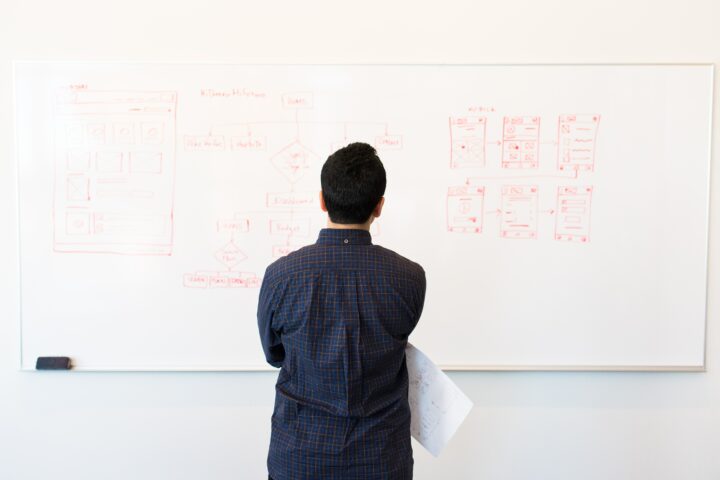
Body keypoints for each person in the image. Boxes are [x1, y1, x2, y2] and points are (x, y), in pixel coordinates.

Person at [257, 142, 426, 480]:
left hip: (300, 458)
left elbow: (274, 354)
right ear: (379, 207)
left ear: (322, 200)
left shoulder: (281, 275)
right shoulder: (409, 277)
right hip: (381, 460)